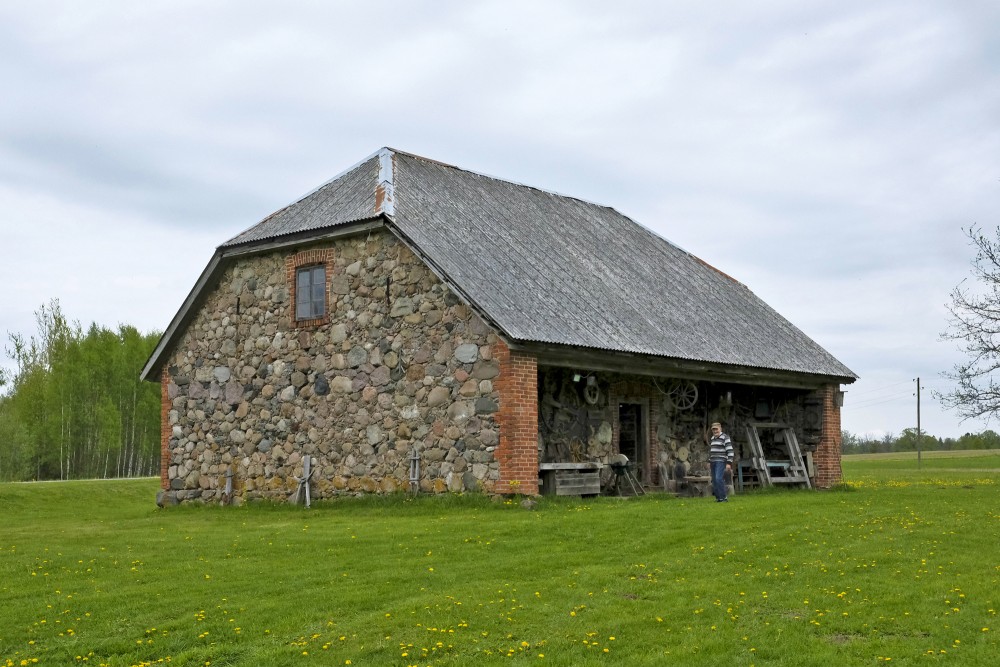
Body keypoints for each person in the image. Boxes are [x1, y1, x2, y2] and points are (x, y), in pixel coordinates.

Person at [708, 422, 734, 502]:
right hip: (713, 461)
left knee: (719, 478)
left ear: (720, 429)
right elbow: (712, 451)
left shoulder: (725, 437)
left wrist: (729, 463)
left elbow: (730, 450)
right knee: (715, 480)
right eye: (713, 429)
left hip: (721, 461)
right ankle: (718, 498)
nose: (715, 431)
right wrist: (709, 461)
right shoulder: (713, 438)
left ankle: (724, 497)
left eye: (716, 429)